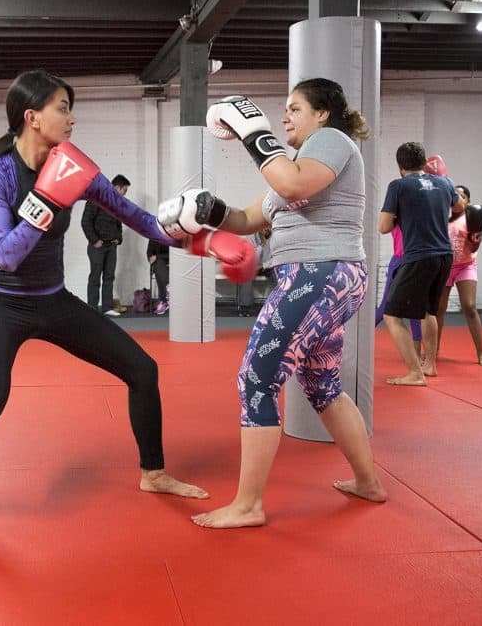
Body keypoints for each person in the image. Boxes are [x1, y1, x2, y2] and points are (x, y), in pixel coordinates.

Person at [0, 70, 257, 532]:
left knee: (143, 370)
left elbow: (146, 222)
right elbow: (8, 255)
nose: (72, 119)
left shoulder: (77, 167)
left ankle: (153, 472)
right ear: (31, 117)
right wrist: (49, 196)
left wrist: (207, 242)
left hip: (53, 301)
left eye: (70, 109)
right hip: (3, 304)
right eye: (62, 108)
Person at [161, 79, 388, 529]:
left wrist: (251, 132)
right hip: (325, 278)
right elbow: (247, 220)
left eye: (295, 108)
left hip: (318, 274)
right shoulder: (294, 166)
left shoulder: (331, 142)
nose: (284, 117)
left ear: (322, 114)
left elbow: (290, 179)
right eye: (283, 110)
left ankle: (248, 505)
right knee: (322, 384)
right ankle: (368, 482)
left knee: (255, 379)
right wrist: (205, 210)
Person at [379, 142, 462, 385]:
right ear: (424, 162)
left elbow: (383, 227)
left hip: (419, 256)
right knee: (428, 311)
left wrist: (401, 214)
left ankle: (415, 373)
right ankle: (430, 365)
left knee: (392, 316)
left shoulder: (398, 186)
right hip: (445, 255)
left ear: (399, 165)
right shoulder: (444, 182)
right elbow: (459, 206)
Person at [436, 185, 482, 365]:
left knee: (469, 306)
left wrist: (476, 238)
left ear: (468, 202)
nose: (458, 198)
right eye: (455, 195)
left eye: (462, 195)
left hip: (466, 266)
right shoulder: (442, 216)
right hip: (445, 266)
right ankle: (433, 352)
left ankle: (481, 353)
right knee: (438, 310)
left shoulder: (470, 218)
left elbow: (474, 247)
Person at [82, 174, 130, 316]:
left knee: (109, 277)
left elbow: (118, 223)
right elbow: (85, 222)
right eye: (124, 190)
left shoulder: (116, 204)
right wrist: (94, 240)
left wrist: (118, 238)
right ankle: (92, 309)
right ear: (117, 187)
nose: (125, 194)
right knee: (95, 277)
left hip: (111, 246)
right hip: (97, 246)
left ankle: (107, 308)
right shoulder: (96, 200)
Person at [374, 224, 423, 358]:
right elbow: (383, 227)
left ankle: (417, 353)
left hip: (411, 261)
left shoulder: (413, 216)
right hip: (402, 261)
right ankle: (359, 343)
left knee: (415, 310)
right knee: (385, 308)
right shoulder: (397, 217)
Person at [146, 238, 170, 315]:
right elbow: (149, 253)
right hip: (160, 262)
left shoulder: (175, 234)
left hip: (174, 259)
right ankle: (164, 300)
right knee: (159, 265)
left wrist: (158, 256)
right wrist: (151, 258)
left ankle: (165, 299)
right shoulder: (154, 235)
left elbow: (177, 252)